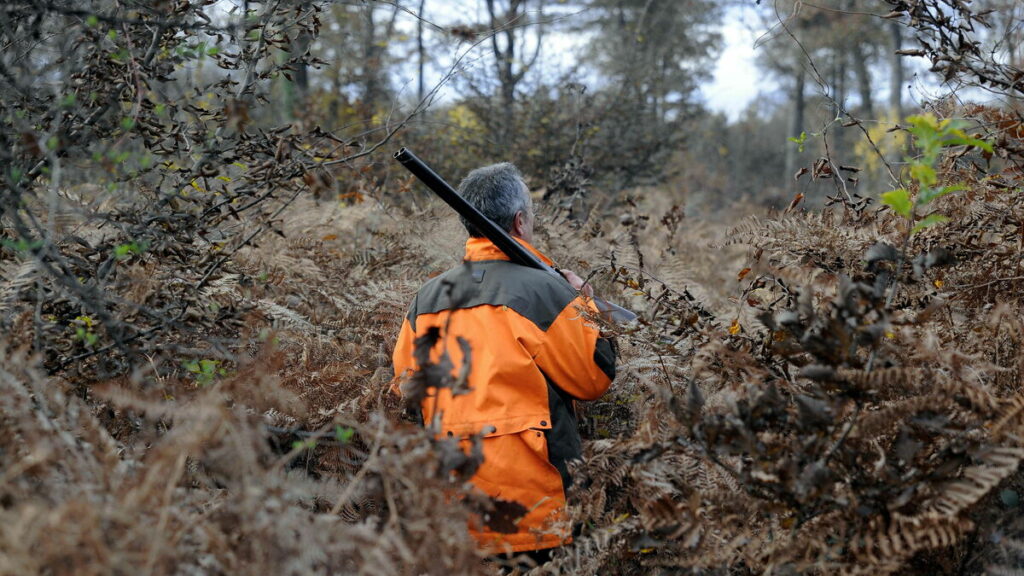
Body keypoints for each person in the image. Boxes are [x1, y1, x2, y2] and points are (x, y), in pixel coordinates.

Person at [391, 162, 616, 561]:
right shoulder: (547, 293)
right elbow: (594, 378)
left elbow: (406, 389)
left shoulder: (426, 298)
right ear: (519, 220)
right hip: (535, 508)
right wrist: (586, 304)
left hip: (453, 509)